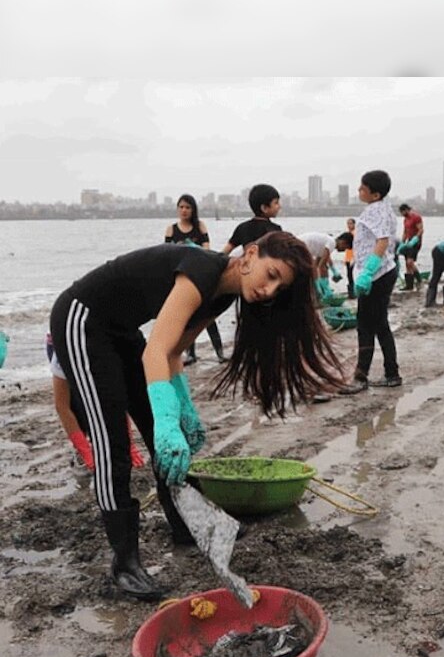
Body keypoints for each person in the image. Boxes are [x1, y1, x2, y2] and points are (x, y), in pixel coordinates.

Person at [49, 232, 343, 600]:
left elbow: (173, 354)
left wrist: (183, 411)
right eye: (270, 274)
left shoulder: (221, 295)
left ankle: (181, 525)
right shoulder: (201, 271)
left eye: (278, 287)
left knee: (163, 432)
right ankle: (125, 563)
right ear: (250, 254)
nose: (269, 290)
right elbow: (155, 351)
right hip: (82, 320)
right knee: (113, 443)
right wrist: (168, 423)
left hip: (120, 331)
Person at [340, 170, 402, 394]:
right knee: (380, 325)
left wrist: (367, 272)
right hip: (383, 272)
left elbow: (382, 242)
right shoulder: (384, 208)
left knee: (365, 326)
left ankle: (361, 377)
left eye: (362, 188)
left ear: (374, 194)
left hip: (377, 275)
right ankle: (392, 374)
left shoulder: (375, 211)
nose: (358, 191)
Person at [47, 332, 144, 472]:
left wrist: (129, 446)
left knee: (107, 397)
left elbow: (118, 400)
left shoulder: (112, 350)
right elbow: (62, 406)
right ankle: (80, 449)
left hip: (99, 339)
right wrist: (85, 450)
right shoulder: (64, 355)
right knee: (76, 403)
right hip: (62, 339)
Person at [166, 194, 225, 365]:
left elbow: (207, 250)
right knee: (188, 318)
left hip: (201, 277)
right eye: (181, 207)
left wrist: (192, 248)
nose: (184, 210)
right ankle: (190, 354)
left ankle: (220, 353)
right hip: (181, 279)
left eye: (187, 207)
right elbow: (166, 253)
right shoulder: (171, 229)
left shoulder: (200, 226)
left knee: (208, 316)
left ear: (193, 210)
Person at [299, 232, 337, 304]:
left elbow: (321, 263)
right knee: (309, 273)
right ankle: (318, 295)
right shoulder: (331, 243)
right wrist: (318, 285)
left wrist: (334, 271)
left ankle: (317, 297)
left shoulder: (320, 247)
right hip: (301, 246)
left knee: (314, 273)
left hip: (301, 245)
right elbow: (318, 266)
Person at [397, 203, 424, 291]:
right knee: (407, 264)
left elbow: (421, 229)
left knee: (410, 262)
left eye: (403, 211)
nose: (402, 214)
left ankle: (419, 280)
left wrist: (416, 238)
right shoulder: (405, 220)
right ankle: (409, 285)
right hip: (408, 242)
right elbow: (405, 232)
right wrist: (402, 242)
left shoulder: (416, 217)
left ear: (407, 210)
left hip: (415, 242)